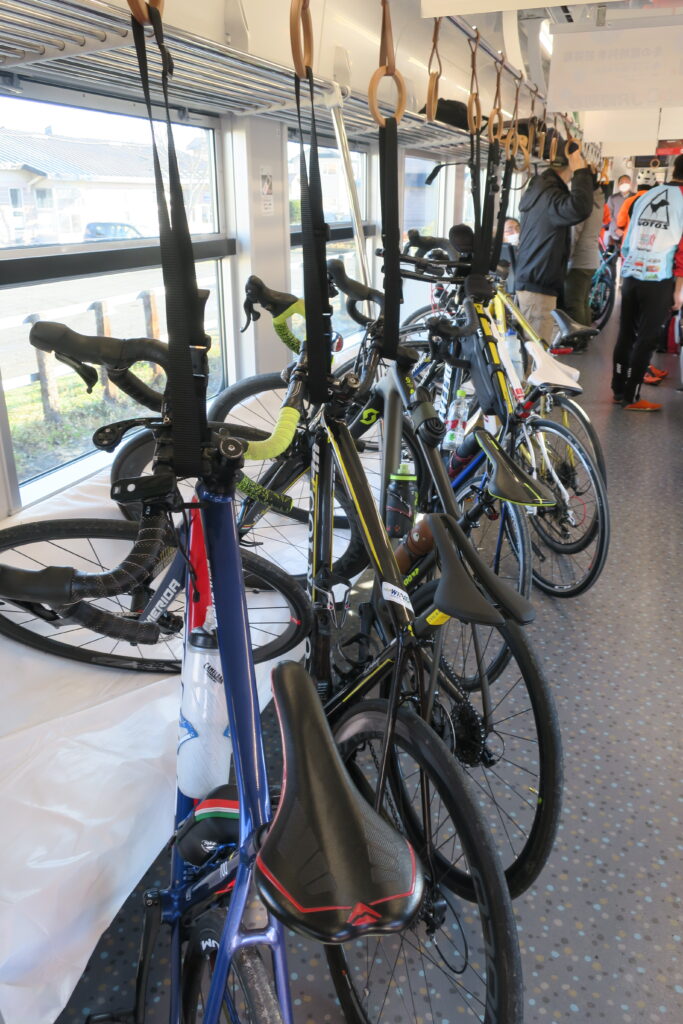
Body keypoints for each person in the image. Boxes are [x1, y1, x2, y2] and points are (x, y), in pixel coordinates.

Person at [611, 154, 683, 411]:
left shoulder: (645, 196)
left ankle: (618, 388)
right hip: (658, 278)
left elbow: (628, 237)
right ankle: (632, 396)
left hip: (631, 273)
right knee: (647, 338)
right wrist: (678, 289)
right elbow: (682, 251)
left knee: (626, 334)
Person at [515, 146, 594, 346]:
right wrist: (581, 172)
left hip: (532, 281)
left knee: (532, 349)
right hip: (538, 288)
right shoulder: (551, 196)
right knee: (536, 353)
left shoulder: (541, 190)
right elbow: (580, 207)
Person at [564, 171, 604, 329]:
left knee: (574, 303)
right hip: (591, 258)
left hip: (579, 260)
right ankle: (586, 335)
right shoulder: (598, 199)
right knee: (582, 301)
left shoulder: (585, 205)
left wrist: (567, 257)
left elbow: (575, 232)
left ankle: (579, 338)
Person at [603, 174, 635, 248]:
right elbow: (609, 215)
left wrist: (627, 229)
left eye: (626, 182)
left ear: (630, 184)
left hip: (631, 232)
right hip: (615, 231)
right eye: (621, 182)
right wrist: (616, 228)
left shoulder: (635, 197)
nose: (624, 184)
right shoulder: (613, 198)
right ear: (618, 184)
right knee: (614, 252)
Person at [500, 218, 520, 292]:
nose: (516, 233)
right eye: (510, 230)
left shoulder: (526, 250)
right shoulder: (497, 254)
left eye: (518, 229)